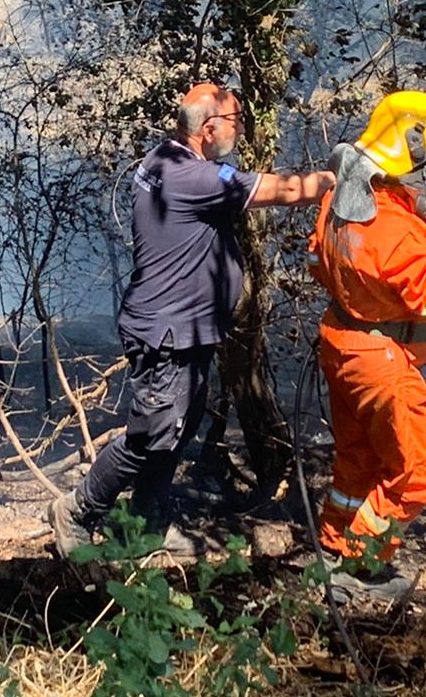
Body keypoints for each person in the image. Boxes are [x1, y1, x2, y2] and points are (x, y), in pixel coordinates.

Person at [49, 82, 335, 558]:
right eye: (235, 120)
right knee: (149, 435)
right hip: (168, 334)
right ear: (208, 128)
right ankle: (78, 509)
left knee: (174, 430)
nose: (241, 127)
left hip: (183, 329)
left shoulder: (165, 158)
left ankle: (145, 528)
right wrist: (335, 178)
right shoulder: (196, 179)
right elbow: (283, 190)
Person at [306, 90, 426, 606]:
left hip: (342, 344)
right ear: (411, 160)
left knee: (357, 464)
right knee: (416, 474)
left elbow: (318, 262)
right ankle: (361, 565)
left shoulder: (343, 201)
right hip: (381, 362)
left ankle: (333, 552)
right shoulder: (399, 232)